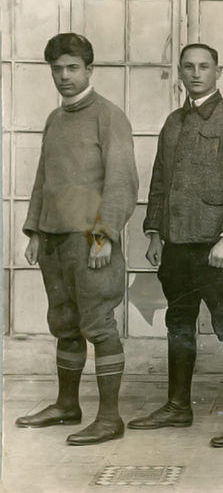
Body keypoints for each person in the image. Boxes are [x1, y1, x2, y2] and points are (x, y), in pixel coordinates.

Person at [127, 43, 223, 448]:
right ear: (181, 72)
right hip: (176, 247)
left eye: (205, 67)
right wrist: (154, 231)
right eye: (189, 67)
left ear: (219, 71)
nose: (196, 73)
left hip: (219, 249)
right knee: (178, 324)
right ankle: (178, 406)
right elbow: (159, 179)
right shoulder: (172, 122)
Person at [16, 33, 138, 445]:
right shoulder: (55, 118)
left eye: (72, 68)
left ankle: (109, 418)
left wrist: (104, 235)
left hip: (90, 241)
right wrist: (35, 229)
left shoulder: (109, 115)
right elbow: (42, 178)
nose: (64, 76)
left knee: (99, 326)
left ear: (89, 69)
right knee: (64, 324)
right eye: (57, 68)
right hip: (53, 240)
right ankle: (68, 405)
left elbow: (122, 181)